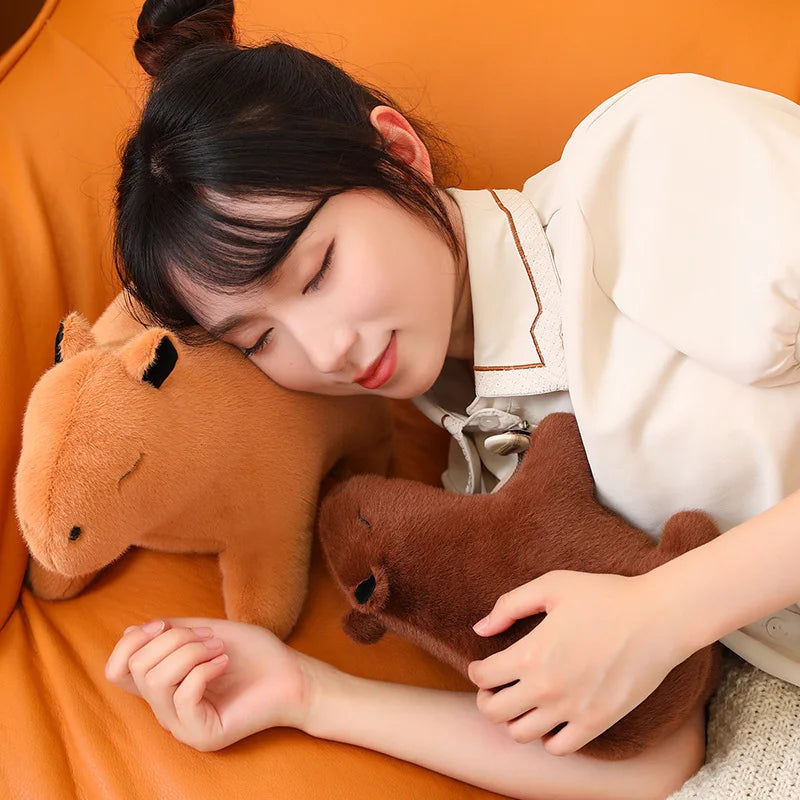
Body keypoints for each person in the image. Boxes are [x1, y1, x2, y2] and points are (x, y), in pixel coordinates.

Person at [105, 1, 800, 797]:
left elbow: (661, 628)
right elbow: (652, 759)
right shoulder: (479, 476)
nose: (325, 350)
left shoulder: (647, 166)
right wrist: (310, 696)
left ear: (399, 152)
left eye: (318, 268)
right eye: (259, 339)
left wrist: (667, 608)